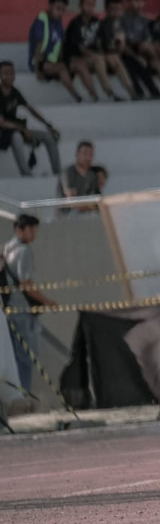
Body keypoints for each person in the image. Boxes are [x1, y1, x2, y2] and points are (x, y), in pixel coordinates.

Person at [2, 215, 56, 394]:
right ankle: (23, 395)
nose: (34, 234)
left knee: (13, 356)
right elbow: (26, 284)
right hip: (21, 310)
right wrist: (47, 301)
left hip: (8, 309)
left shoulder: (7, 248)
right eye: (31, 230)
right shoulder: (24, 251)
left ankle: (15, 395)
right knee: (26, 356)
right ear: (20, 230)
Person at [0, 61, 62, 178]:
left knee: (48, 137)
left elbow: (31, 110)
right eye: (6, 73)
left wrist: (48, 125)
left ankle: (58, 173)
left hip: (17, 128)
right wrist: (22, 129)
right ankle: (26, 174)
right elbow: (2, 123)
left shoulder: (14, 92)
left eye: (12, 73)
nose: (10, 76)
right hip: (4, 133)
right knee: (16, 136)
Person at [28, 0, 86, 103]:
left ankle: (94, 97)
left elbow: (61, 45)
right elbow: (39, 45)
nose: (61, 12)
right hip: (39, 62)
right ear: (50, 6)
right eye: (58, 8)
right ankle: (77, 96)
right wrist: (37, 70)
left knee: (79, 64)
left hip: (53, 61)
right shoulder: (41, 20)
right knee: (62, 69)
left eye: (63, 10)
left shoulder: (58, 22)